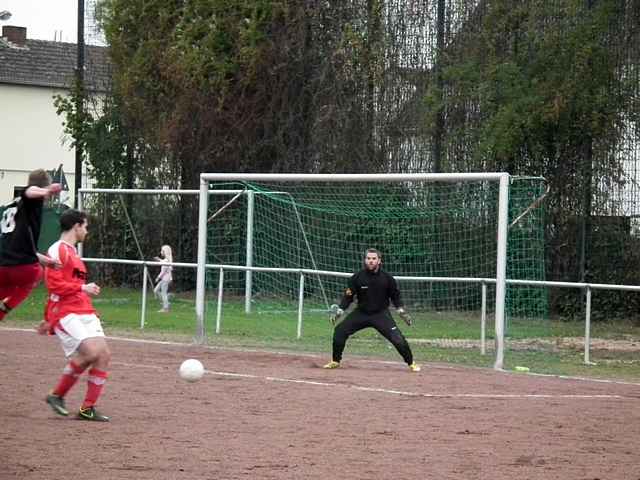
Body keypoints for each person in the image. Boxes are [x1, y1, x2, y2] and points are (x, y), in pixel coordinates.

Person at [38, 209, 111, 422]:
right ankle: (56, 395)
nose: (86, 231)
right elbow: (54, 285)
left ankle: (88, 408)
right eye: (85, 226)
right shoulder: (57, 250)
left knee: (103, 355)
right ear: (76, 226)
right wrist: (82, 289)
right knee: (90, 351)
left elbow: (70, 285)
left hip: (84, 309)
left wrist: (84, 291)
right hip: (66, 311)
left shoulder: (73, 253)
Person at [323, 248, 420, 372]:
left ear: (379, 261)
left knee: (398, 339)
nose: (371, 261)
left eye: (374, 259)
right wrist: (340, 311)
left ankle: (411, 363)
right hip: (361, 313)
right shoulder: (357, 277)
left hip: (381, 314)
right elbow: (348, 297)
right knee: (339, 331)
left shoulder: (388, 278)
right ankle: (335, 361)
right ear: (365, 260)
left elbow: (396, 297)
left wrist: (401, 312)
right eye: (368, 258)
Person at [0, 169, 62, 321]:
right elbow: (30, 191)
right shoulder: (31, 199)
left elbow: (20, 245)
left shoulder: (11, 208)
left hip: (3, 265)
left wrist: (46, 261)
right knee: (36, 273)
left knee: (8, 288)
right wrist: (46, 190)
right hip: (23, 267)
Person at [153, 244, 173, 313]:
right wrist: (158, 259)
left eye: (162, 251)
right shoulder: (166, 260)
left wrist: (158, 278)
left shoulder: (167, 261)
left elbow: (163, 272)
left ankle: (166, 308)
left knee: (163, 293)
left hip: (165, 279)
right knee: (156, 290)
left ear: (165, 252)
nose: (161, 252)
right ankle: (166, 303)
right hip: (164, 279)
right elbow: (163, 262)